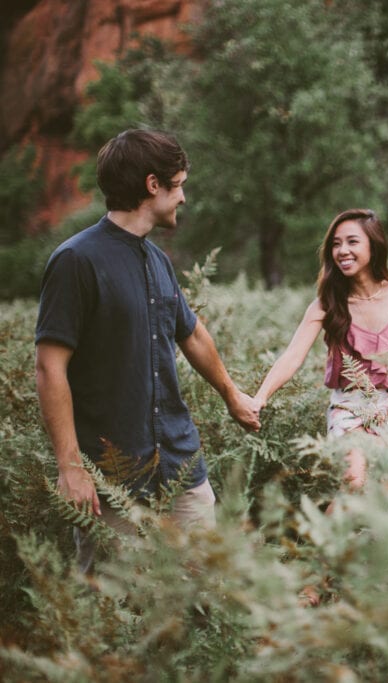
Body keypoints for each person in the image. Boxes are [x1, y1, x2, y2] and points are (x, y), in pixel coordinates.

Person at [34, 128, 261, 572]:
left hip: (181, 467)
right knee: (116, 614)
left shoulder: (157, 260)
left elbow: (192, 334)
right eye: (178, 186)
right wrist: (70, 468)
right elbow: (49, 367)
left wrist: (232, 395)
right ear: (152, 185)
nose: (183, 198)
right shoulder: (75, 260)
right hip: (114, 478)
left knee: (202, 601)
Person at [254, 208, 388, 491]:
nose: (342, 250)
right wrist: (260, 397)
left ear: (374, 244)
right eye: (336, 243)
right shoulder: (327, 304)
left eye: (352, 241)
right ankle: (316, 537)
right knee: (354, 487)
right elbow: (293, 356)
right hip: (350, 409)